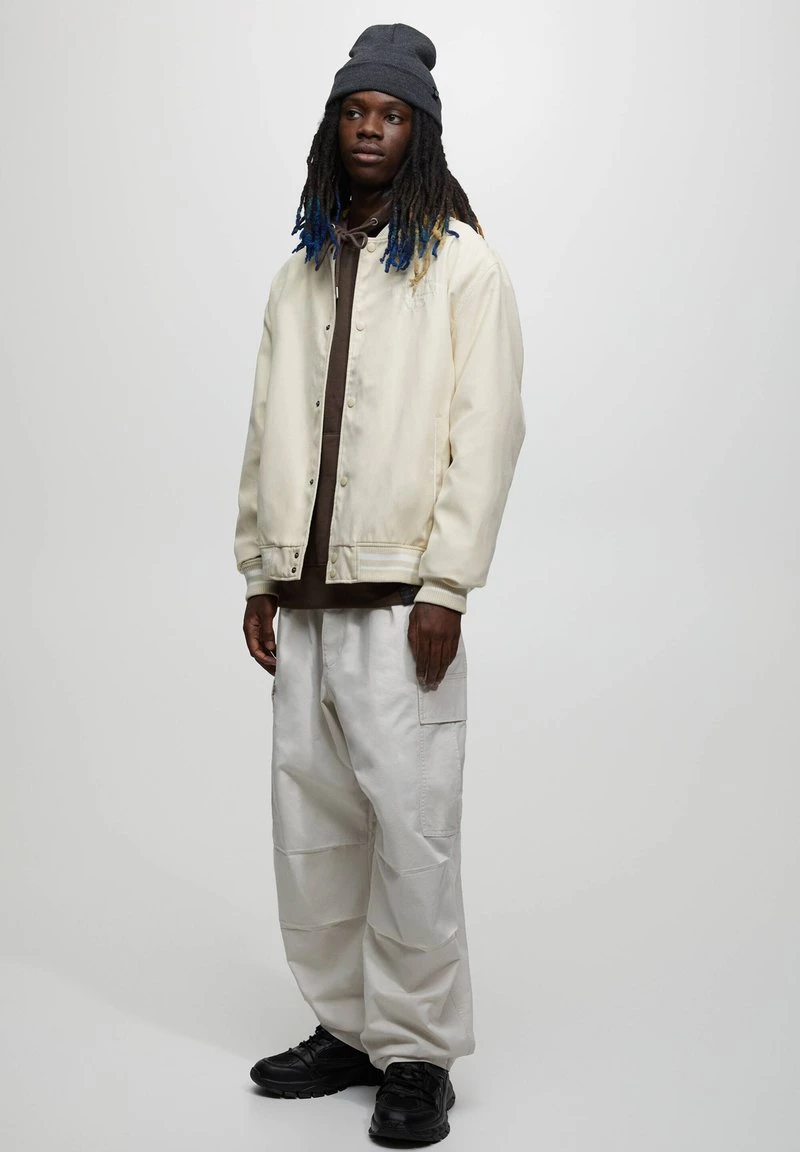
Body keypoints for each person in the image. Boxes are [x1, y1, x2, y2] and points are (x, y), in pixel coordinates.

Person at [234, 22, 525, 1145]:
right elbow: (264, 426)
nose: (370, 129)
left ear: (420, 132)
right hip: (303, 602)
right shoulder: (299, 271)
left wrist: (447, 586)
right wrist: (259, 570)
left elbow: (486, 433)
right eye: (355, 111)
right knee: (311, 833)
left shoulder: (463, 265)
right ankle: (347, 1027)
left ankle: (415, 1053)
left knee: (412, 835)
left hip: (402, 605)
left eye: (391, 114)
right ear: (333, 127)